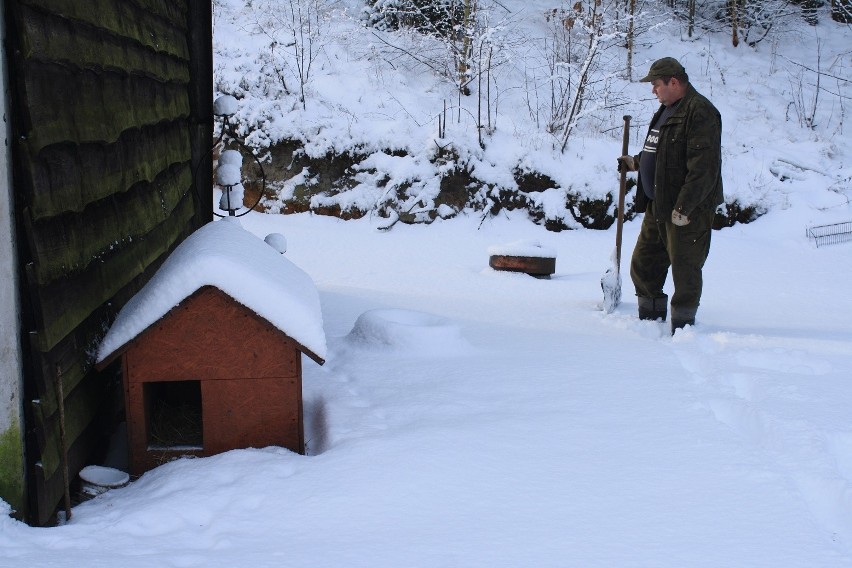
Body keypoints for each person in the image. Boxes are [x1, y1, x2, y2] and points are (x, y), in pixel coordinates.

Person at [617, 57, 723, 333]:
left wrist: (685, 207)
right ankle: (650, 322)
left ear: (673, 82)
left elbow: (704, 168)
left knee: (685, 268)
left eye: (656, 85)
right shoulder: (667, 109)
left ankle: (683, 328)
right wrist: (636, 162)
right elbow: (663, 153)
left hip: (685, 210)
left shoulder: (699, 112)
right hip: (658, 203)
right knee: (644, 262)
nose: (653, 91)